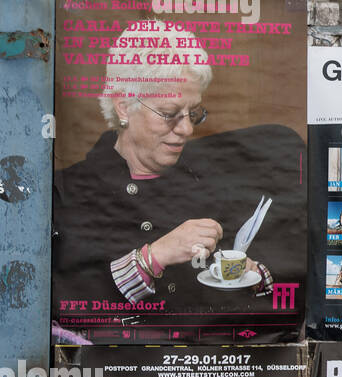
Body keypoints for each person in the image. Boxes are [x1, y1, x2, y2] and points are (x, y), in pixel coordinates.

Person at [52, 24, 304, 318]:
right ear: (123, 107)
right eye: (170, 114)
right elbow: (62, 302)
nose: (185, 130)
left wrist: (254, 276)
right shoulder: (69, 192)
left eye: (193, 113)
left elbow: (286, 275)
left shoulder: (213, 176)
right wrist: (153, 258)